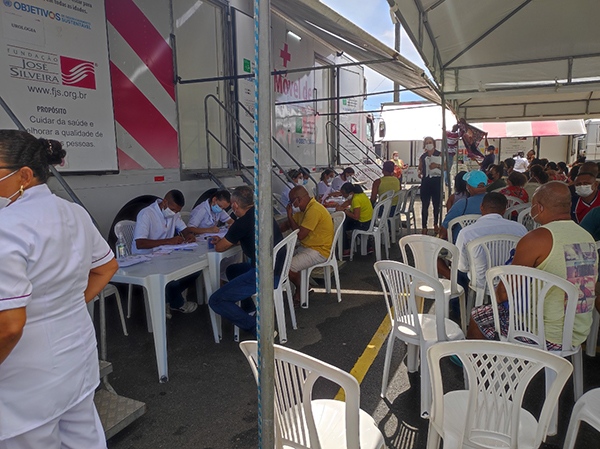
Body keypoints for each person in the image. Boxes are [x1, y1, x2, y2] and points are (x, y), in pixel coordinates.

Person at [0, 130, 118, 448]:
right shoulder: (73, 211)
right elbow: (106, 267)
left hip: (26, 378)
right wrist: (68, 303)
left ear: (24, 175)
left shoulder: (6, 226)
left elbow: (9, 326)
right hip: (76, 359)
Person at [467, 182, 598, 349]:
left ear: (540, 207)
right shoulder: (586, 236)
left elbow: (503, 294)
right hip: (578, 330)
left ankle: (478, 363)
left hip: (542, 332)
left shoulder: (537, 238)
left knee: (478, 316)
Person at [208, 186, 285, 335]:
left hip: (264, 275)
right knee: (232, 270)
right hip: (277, 269)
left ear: (235, 205)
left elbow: (220, 248)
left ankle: (258, 329)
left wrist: (220, 241)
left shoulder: (241, 223)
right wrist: (229, 239)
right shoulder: (262, 213)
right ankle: (249, 309)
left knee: (216, 300)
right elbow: (246, 236)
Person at [439, 193, 527, 296]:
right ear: (504, 210)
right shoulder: (520, 229)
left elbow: (462, 266)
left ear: (481, 207)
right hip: (510, 281)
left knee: (457, 270)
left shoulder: (467, 232)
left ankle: (461, 302)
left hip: (480, 283)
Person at [132, 190, 198, 314]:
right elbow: (140, 243)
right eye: (173, 210)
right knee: (172, 280)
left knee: (194, 270)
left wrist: (189, 235)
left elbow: (184, 229)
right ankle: (177, 303)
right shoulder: (146, 213)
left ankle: (167, 300)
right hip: (145, 257)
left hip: (164, 255)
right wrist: (168, 241)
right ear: (164, 202)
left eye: (177, 211)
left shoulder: (174, 213)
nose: (174, 213)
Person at [280, 186, 334, 306]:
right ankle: (303, 287)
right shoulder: (305, 210)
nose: (290, 205)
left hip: (319, 250)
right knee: (280, 261)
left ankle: (303, 288)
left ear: (298, 199)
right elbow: (288, 224)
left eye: (291, 201)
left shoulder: (314, 210)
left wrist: (289, 215)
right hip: (308, 247)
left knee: (287, 267)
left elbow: (301, 235)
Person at [440, 170, 488, 242]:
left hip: (461, 243)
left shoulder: (463, 204)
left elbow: (445, 226)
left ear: (468, 187)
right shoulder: (494, 202)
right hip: (487, 242)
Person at [336, 182, 373, 253]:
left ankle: (346, 248)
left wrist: (344, 210)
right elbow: (348, 202)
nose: (343, 195)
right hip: (369, 221)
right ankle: (368, 245)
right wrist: (341, 207)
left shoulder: (356, 199)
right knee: (346, 221)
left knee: (341, 226)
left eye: (344, 194)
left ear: (350, 193)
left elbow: (356, 217)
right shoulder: (360, 194)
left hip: (363, 224)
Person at [418, 136, 442, 235]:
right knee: (425, 205)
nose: (428, 144)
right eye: (427, 143)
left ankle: (436, 224)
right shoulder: (423, 156)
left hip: (436, 181)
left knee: (436, 204)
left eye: (430, 142)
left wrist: (437, 165)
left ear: (434, 144)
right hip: (426, 181)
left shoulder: (439, 154)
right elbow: (420, 167)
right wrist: (419, 172)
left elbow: (445, 167)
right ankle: (424, 226)